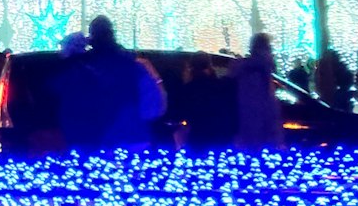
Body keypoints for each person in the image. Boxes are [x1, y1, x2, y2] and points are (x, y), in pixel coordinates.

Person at [57, 16, 165, 149]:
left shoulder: (80, 67)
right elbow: (154, 108)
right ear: (112, 34)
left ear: (91, 37)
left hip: (90, 142)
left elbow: (62, 100)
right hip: (133, 138)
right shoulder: (134, 65)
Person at [175, 54, 235, 149]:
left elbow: (181, 114)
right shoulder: (220, 86)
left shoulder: (188, 89)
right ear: (209, 66)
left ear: (191, 67)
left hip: (196, 137)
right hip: (219, 136)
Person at [234, 34, 283, 148]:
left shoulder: (243, 67)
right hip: (263, 116)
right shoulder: (263, 69)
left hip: (246, 115)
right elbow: (267, 98)